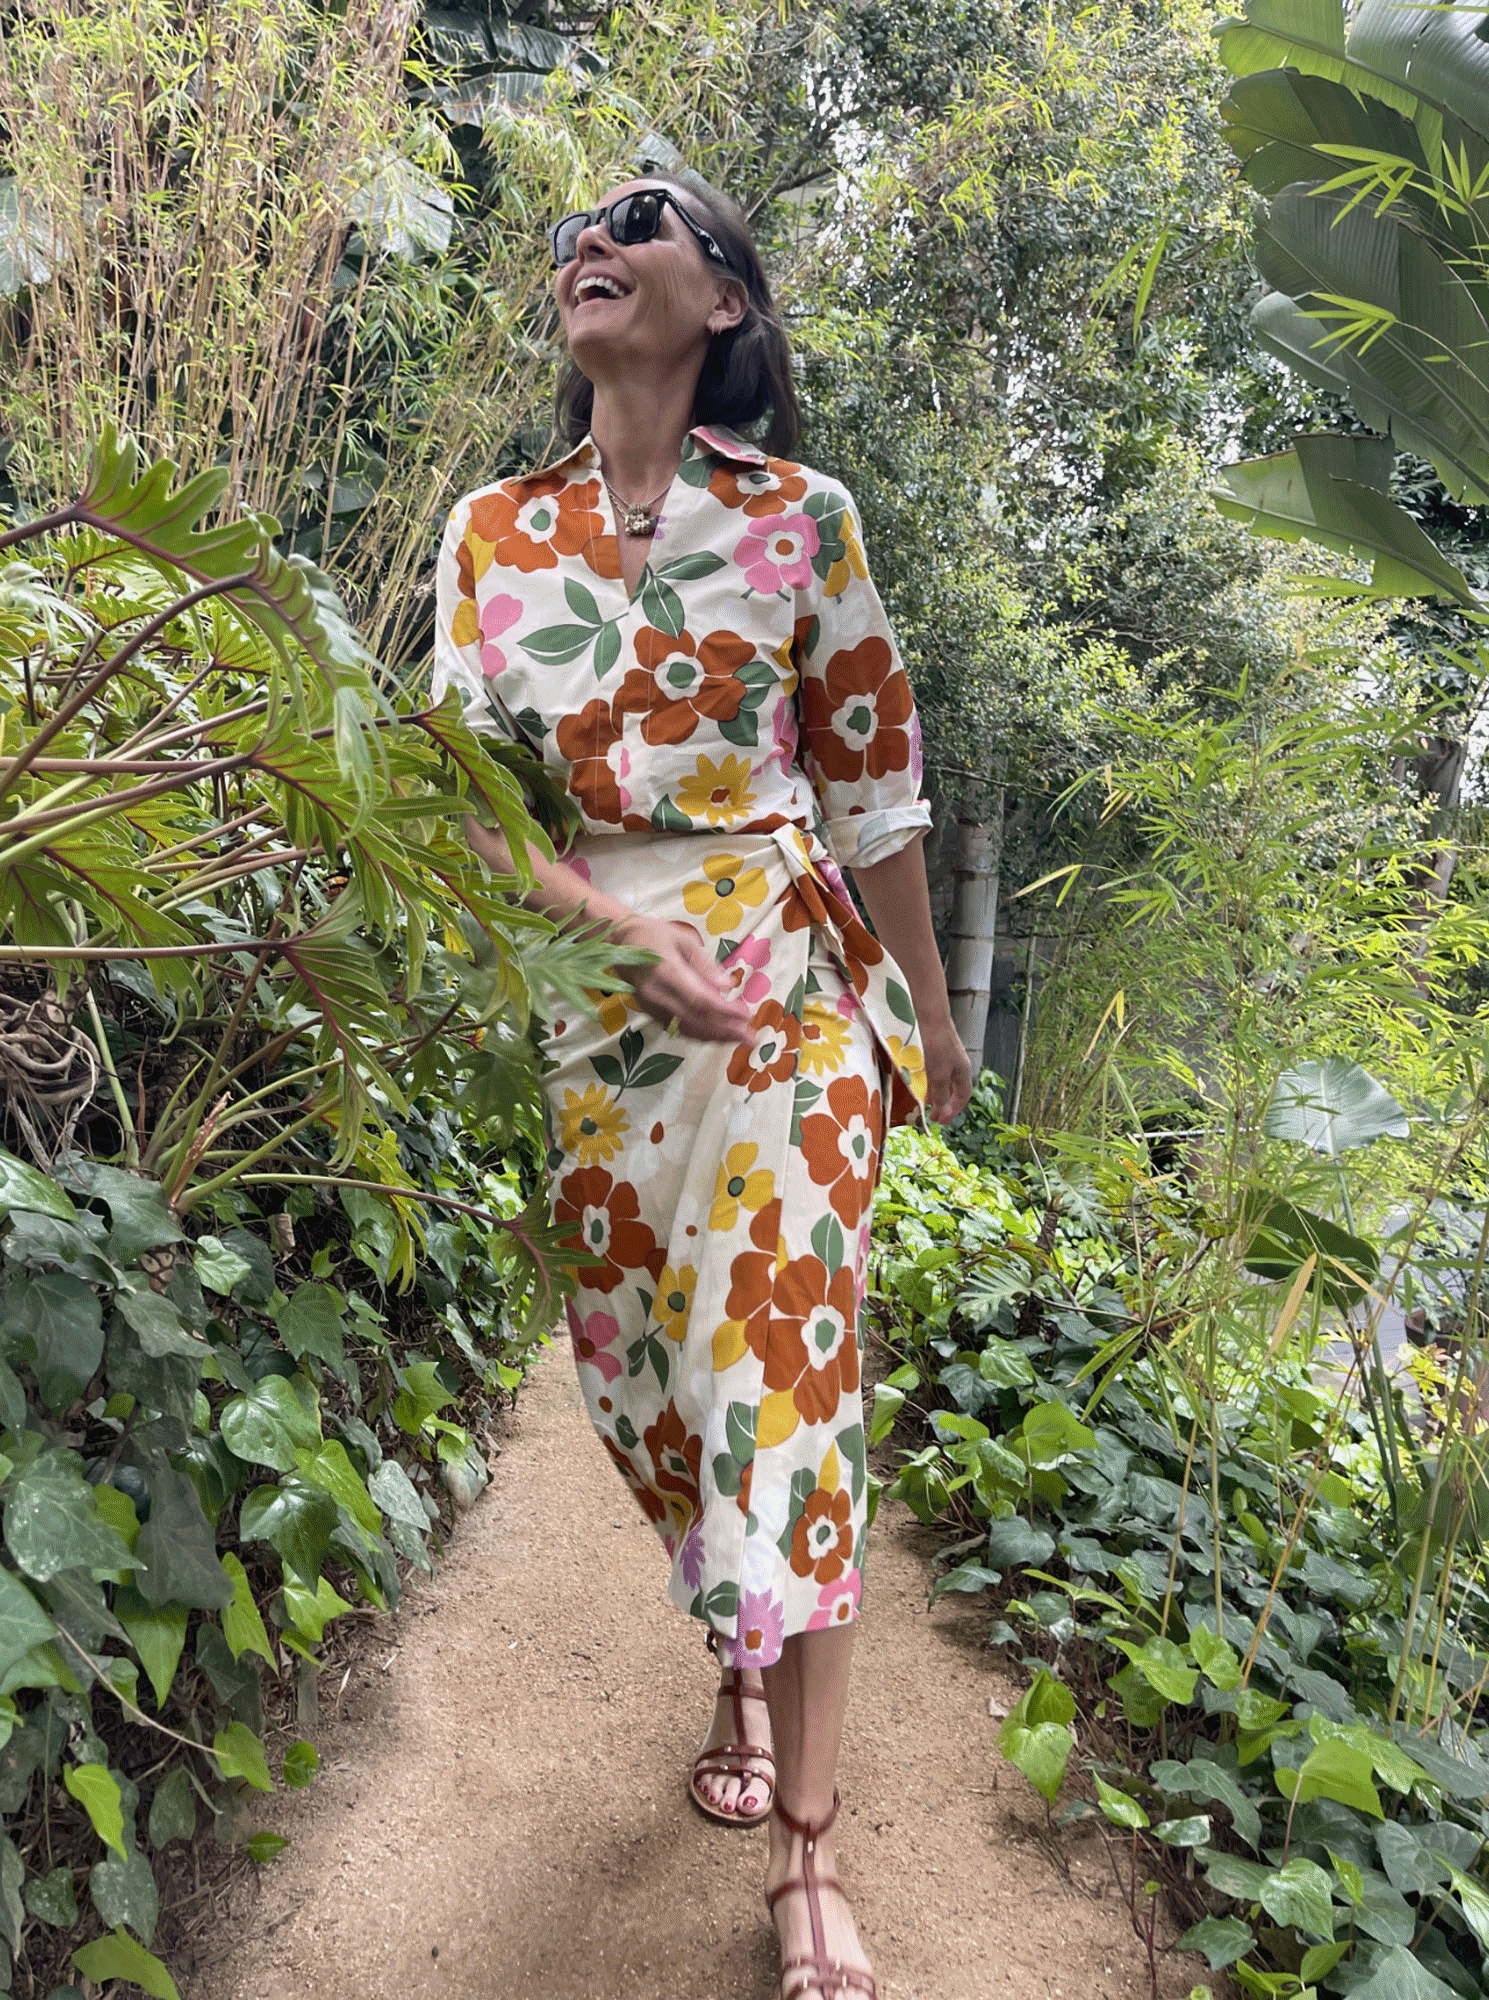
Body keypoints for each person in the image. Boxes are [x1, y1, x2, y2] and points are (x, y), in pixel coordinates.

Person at [434, 171, 973, 2000]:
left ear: (727, 301)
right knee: (654, 1386)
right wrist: (603, 929)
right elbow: (464, 809)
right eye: (579, 228)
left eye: (644, 217)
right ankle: (734, 1653)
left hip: (788, 989)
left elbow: (877, 796)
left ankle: (811, 1853)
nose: (594, 240)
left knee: (783, 1383)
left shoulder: (804, 521)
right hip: (596, 1007)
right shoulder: (493, 533)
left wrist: (930, 1020)